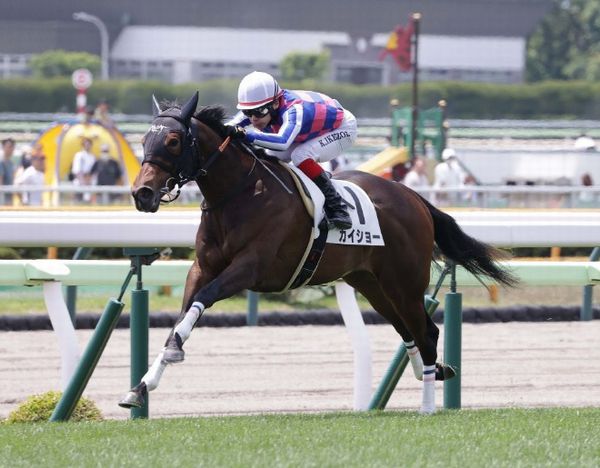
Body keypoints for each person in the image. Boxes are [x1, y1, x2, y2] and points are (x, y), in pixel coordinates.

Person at [224, 71, 356, 230]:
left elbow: (283, 142)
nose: (253, 119)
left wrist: (246, 135)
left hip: (342, 128)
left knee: (300, 155)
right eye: (248, 112)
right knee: (267, 158)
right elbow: (228, 126)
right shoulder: (260, 105)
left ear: (275, 104)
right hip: (308, 132)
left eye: (259, 112)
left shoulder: (293, 110)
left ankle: (338, 208)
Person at [71, 137, 97, 202]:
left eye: (89, 144)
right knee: (78, 199)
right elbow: (77, 170)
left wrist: (89, 180)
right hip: (80, 181)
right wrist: (83, 181)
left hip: (90, 181)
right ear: (83, 145)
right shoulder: (79, 155)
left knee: (88, 200)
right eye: (86, 144)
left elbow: (94, 171)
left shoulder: (92, 157)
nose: (87, 146)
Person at [0, 137, 16, 205]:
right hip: (2, 200)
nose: (11, 149)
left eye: (12, 147)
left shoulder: (11, 163)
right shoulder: (1, 162)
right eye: (9, 147)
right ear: (3, 147)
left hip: (9, 198)